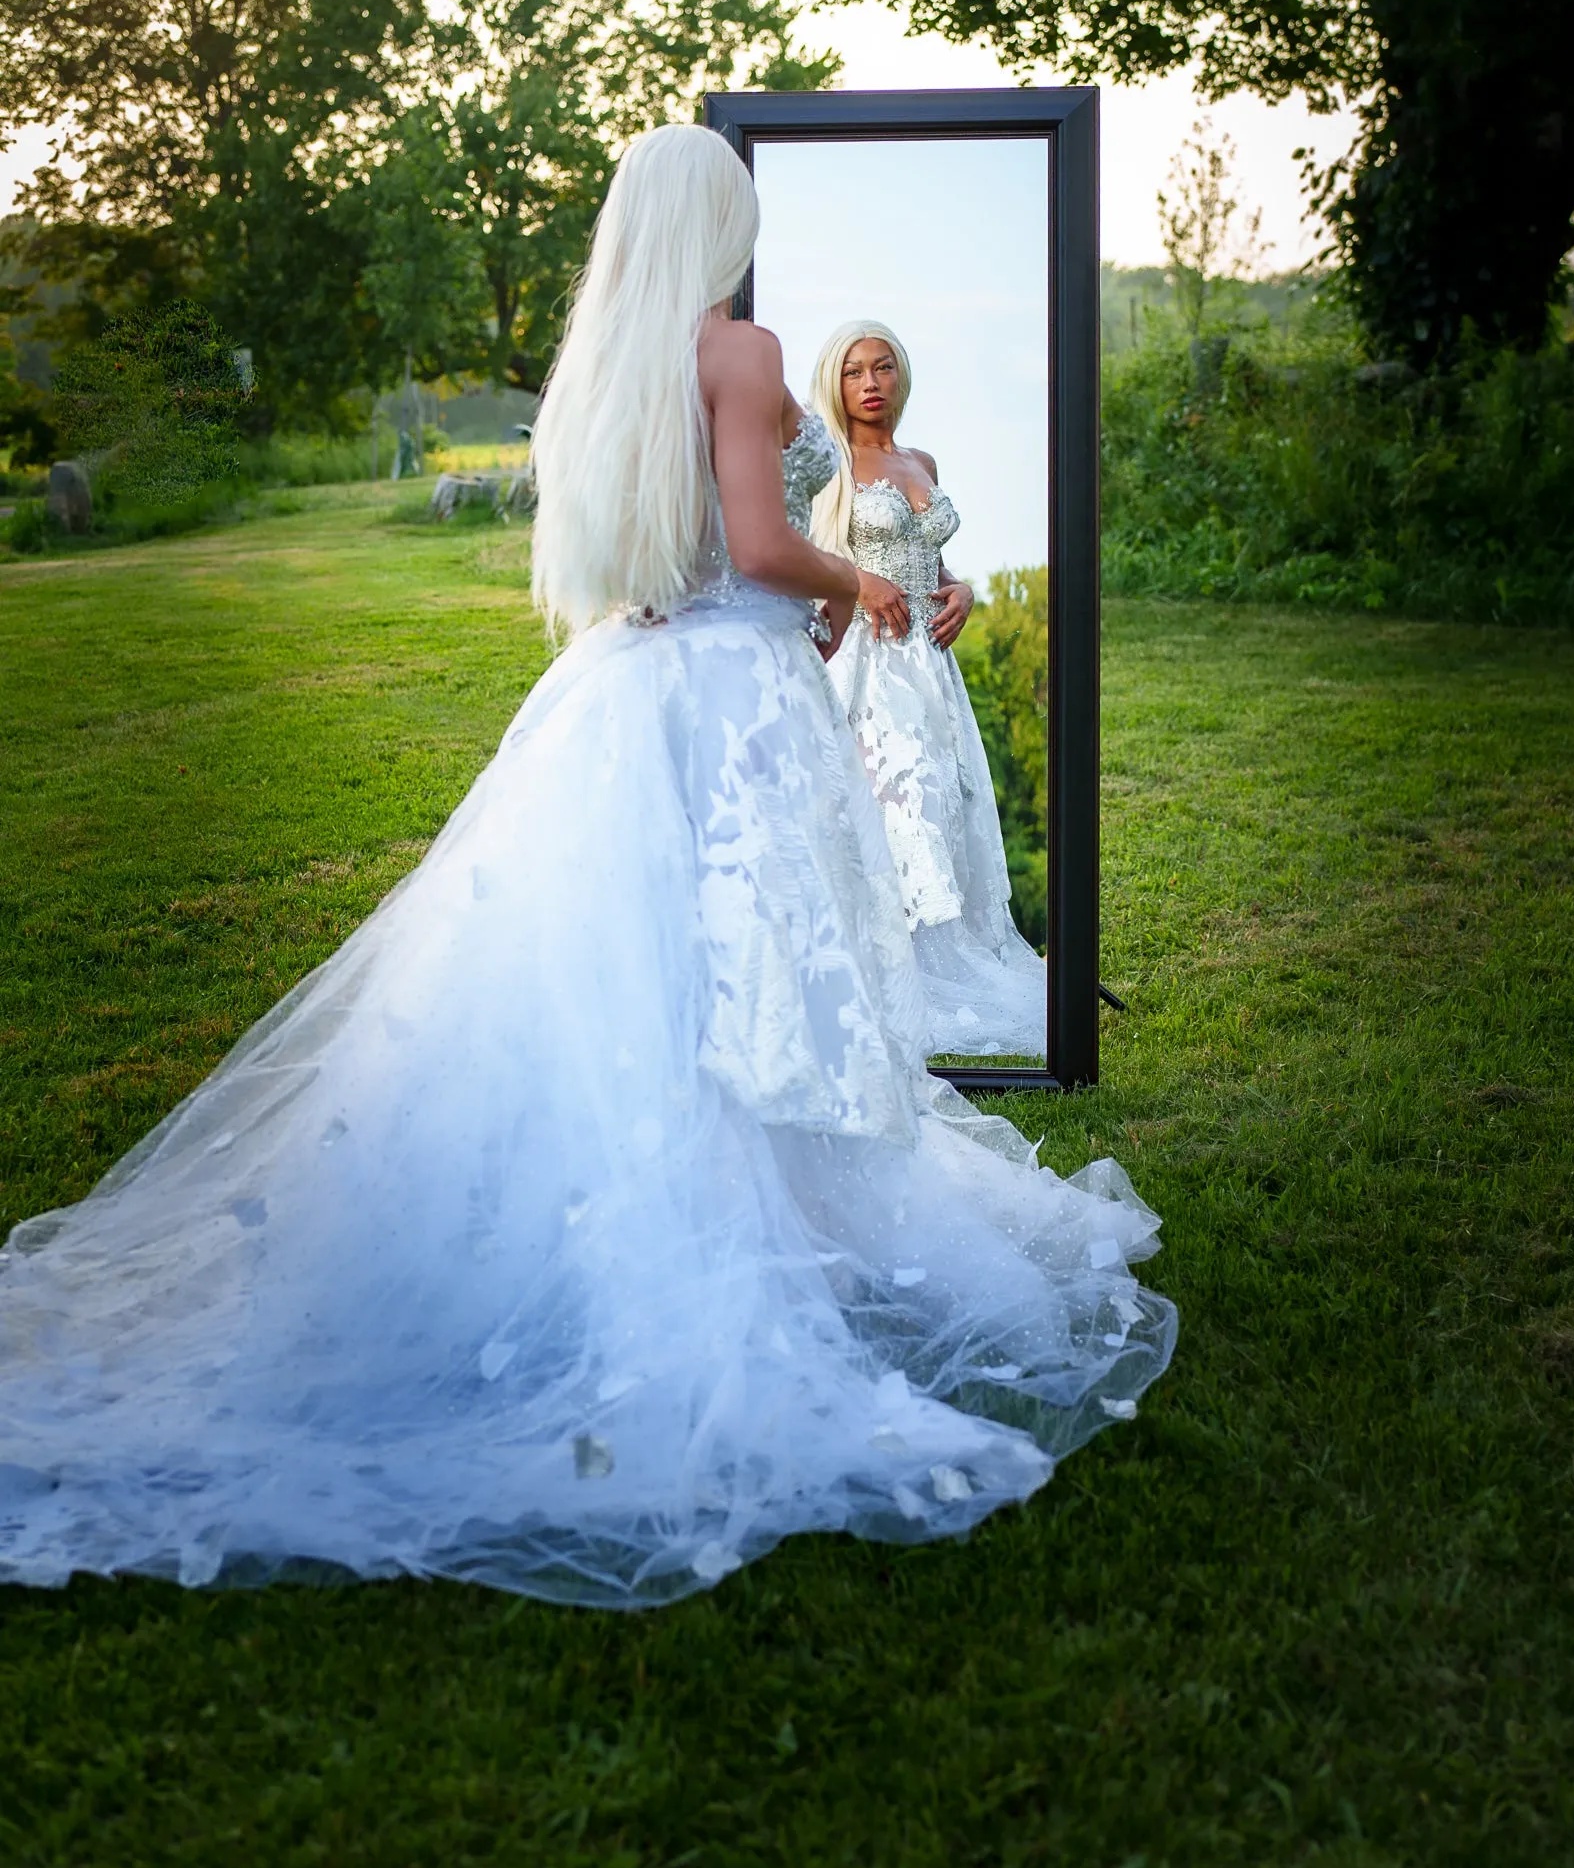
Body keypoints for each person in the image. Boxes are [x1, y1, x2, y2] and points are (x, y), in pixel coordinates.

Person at [0, 129, 1174, 1609]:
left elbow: (676, 547)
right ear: (715, 221)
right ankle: (757, 1238)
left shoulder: (608, 362)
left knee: (638, 971)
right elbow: (758, 540)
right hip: (731, 702)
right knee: (739, 974)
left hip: (628, 687)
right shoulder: (736, 351)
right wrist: (862, 581)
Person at [810, 322, 1049, 1060]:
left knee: (943, 809)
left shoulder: (921, 459)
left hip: (931, 668)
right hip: (870, 662)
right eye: (854, 371)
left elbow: (933, 562)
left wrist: (963, 590)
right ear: (836, 382)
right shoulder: (830, 462)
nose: (871, 381)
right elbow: (810, 558)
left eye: (883, 367)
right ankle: (889, 979)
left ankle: (947, 963)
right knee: (894, 816)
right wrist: (859, 578)